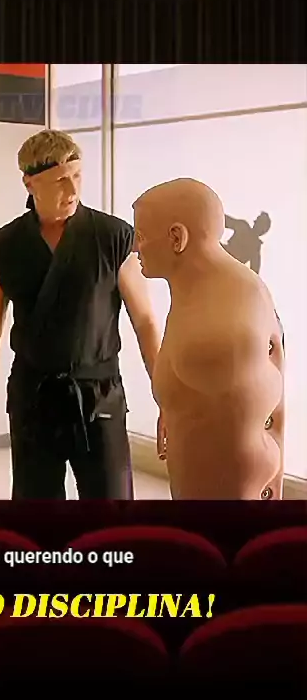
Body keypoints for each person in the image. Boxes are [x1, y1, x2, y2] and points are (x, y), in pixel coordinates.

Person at [0, 129, 161, 499]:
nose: (73, 189)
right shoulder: (2, 246)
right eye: (60, 180)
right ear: (29, 183)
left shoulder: (113, 236)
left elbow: (145, 321)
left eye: (77, 175)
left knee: (112, 509)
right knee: (37, 512)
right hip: (33, 398)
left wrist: (166, 404)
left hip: (99, 397)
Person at [133, 177, 285, 500]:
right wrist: (170, 406)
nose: (135, 247)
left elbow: (241, 411)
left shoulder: (227, 314)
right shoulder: (195, 289)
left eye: (142, 237)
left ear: (177, 238)